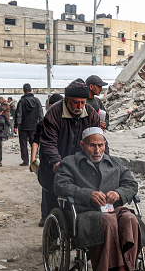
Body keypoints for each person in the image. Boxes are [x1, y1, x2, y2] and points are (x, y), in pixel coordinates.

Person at [54, 127, 142, 271]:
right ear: (82, 144)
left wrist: (118, 192)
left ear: (105, 145)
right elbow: (60, 185)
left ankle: (127, 269)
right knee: (108, 222)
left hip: (112, 210)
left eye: (100, 145)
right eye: (92, 145)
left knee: (130, 218)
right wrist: (87, 194)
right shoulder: (70, 162)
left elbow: (131, 184)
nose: (97, 150)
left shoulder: (115, 163)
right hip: (85, 213)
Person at [39, 79, 105, 217]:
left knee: (78, 204)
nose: (80, 106)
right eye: (76, 102)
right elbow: (48, 142)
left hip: (79, 166)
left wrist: (105, 161)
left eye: (83, 102)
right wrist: (56, 161)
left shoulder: (91, 113)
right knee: (53, 205)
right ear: (67, 99)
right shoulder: (53, 113)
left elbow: (98, 139)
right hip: (53, 167)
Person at [32, 93, 63, 227]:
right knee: (48, 190)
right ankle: (46, 216)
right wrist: (33, 159)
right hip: (48, 163)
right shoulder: (45, 122)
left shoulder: (65, 122)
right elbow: (36, 141)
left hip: (60, 162)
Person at [15, 84, 43, 167]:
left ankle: (25, 160)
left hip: (23, 126)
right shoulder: (37, 101)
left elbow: (19, 114)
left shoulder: (21, 101)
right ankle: (36, 159)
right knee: (35, 143)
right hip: (35, 125)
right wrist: (41, 124)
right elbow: (41, 113)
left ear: (23, 90)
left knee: (23, 144)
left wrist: (17, 125)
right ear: (31, 90)